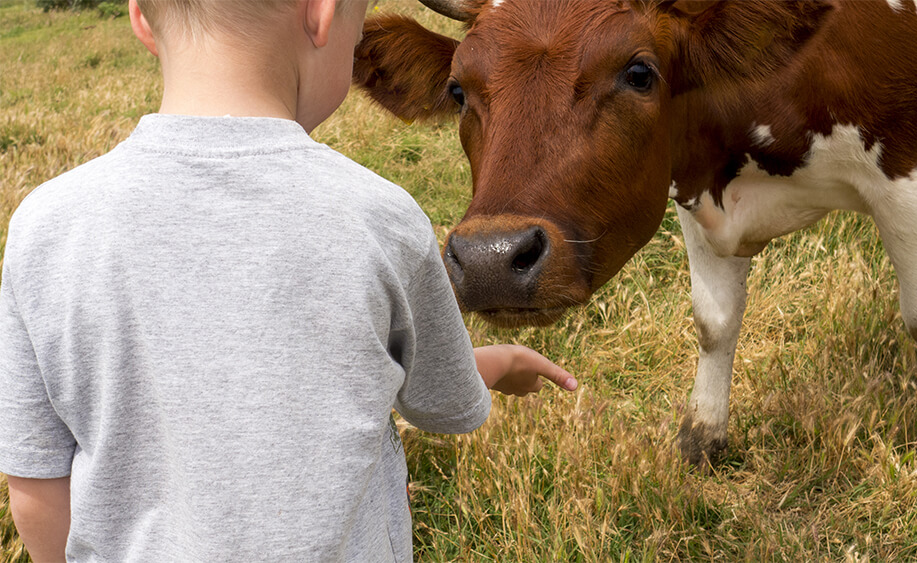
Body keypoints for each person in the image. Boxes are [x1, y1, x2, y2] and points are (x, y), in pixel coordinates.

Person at [0, 0, 578, 560]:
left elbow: (34, 485)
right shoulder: (381, 220)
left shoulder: (43, 227)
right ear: (321, 13)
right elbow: (440, 400)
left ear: (140, 21)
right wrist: (495, 366)